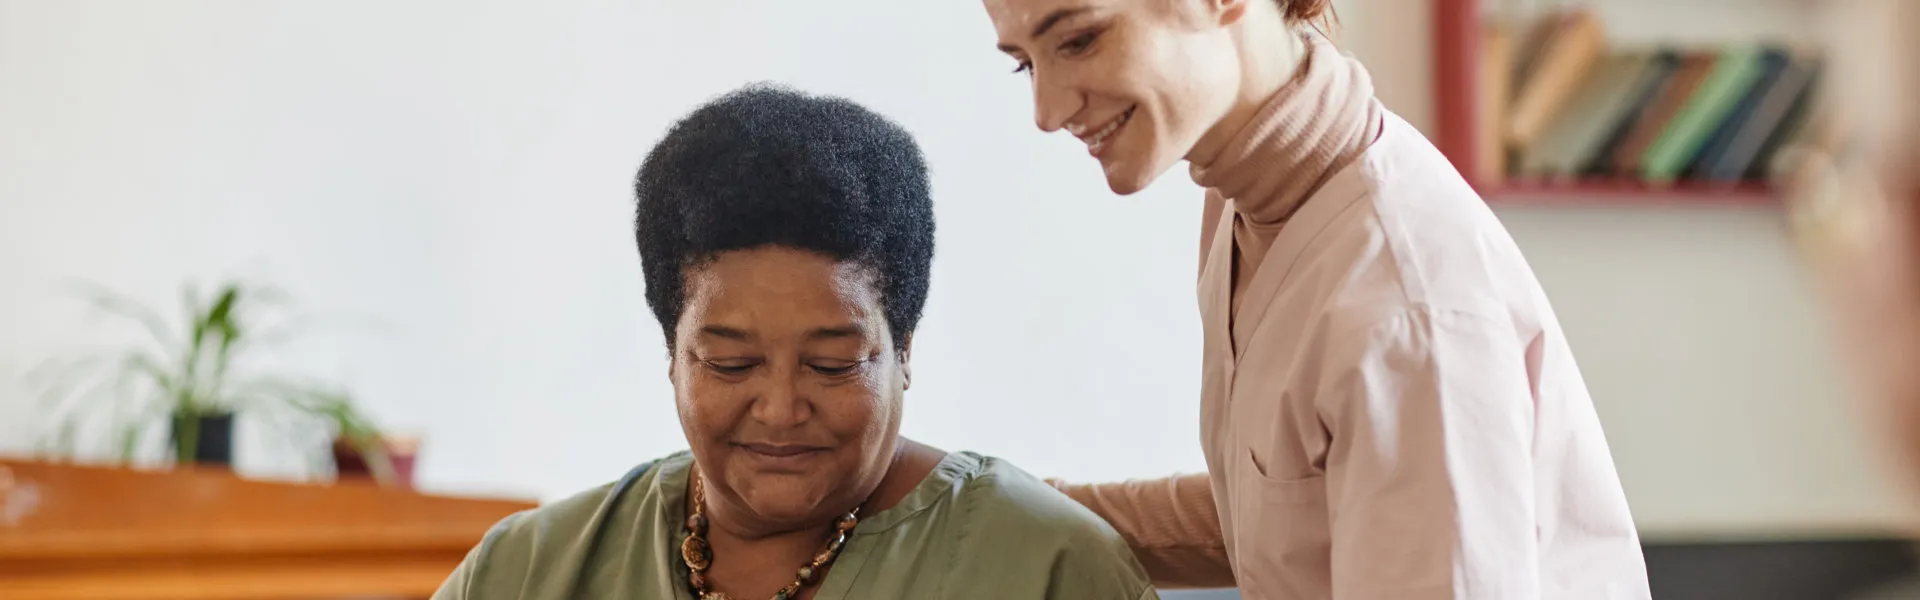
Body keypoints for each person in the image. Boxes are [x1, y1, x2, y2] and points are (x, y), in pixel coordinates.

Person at [979, 0, 1651, 597]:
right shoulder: (1244, 197)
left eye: (1077, 41)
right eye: (1023, 65)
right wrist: (998, 512)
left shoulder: (1402, 306)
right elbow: (1284, 514)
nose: (1046, 111)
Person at [431, 85, 1158, 600]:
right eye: (731, 362)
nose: (780, 409)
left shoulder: (1046, 570)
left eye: (833, 364)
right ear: (671, 351)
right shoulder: (528, 571)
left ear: (904, 350)